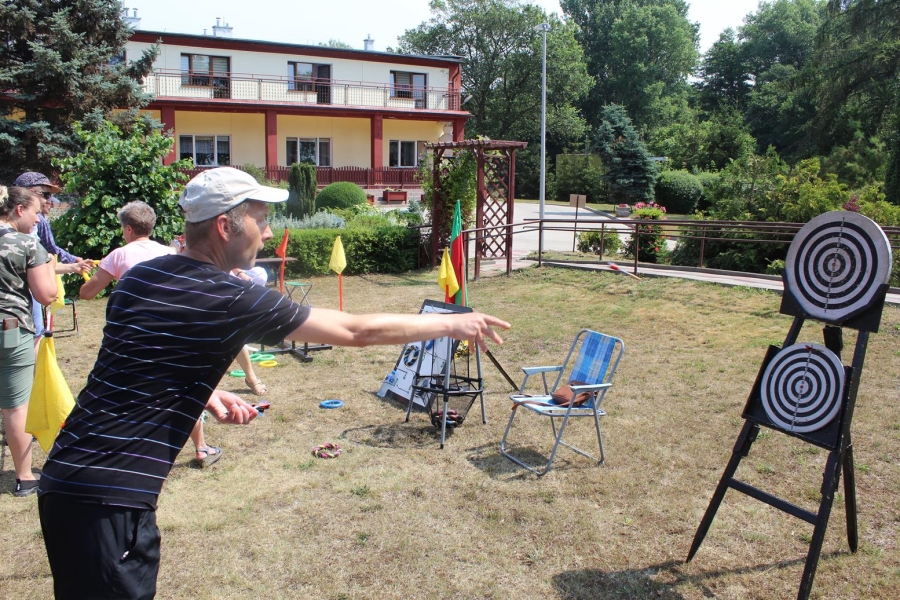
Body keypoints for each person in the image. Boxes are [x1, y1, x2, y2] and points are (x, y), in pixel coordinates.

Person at [37, 166, 509, 598]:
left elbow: (131, 366)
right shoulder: (232, 295)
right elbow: (354, 330)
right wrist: (451, 323)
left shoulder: (141, 278)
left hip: (69, 479)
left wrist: (203, 391)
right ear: (225, 226)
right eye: (259, 220)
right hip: (110, 499)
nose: (266, 234)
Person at [0, 186, 58, 496]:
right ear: (19, 209)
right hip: (9, 330)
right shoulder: (25, 244)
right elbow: (46, 295)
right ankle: (24, 476)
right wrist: (49, 264)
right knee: (15, 406)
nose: (38, 219)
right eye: (36, 212)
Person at [14, 172, 92, 348]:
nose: (48, 201)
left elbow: (41, 261)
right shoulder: (36, 222)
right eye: (46, 194)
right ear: (30, 192)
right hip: (19, 302)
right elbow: (49, 253)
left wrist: (73, 265)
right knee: (35, 334)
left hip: (26, 294)